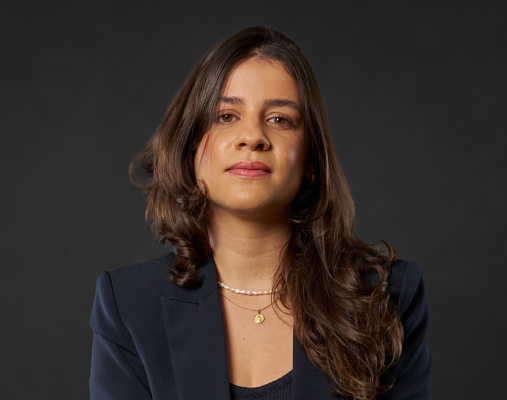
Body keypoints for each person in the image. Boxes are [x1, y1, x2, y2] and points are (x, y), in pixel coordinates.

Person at [88, 26, 433, 400]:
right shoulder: (128, 304)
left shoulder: (387, 294)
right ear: (190, 148)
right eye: (226, 116)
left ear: (310, 159)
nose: (252, 137)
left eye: (279, 119)